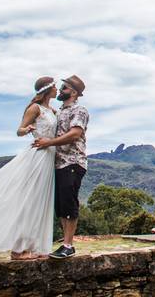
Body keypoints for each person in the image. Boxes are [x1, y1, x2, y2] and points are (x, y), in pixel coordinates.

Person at [0, 76, 58, 260]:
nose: (57, 89)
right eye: (55, 87)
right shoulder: (35, 108)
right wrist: (28, 129)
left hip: (49, 156)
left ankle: (36, 246)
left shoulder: (51, 109)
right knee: (30, 199)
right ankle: (18, 248)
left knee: (41, 201)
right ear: (47, 90)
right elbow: (19, 130)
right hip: (38, 155)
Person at [33, 75, 89, 259]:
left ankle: (68, 244)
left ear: (73, 92)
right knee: (61, 205)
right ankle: (65, 243)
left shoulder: (79, 110)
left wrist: (49, 143)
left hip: (72, 161)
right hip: (58, 162)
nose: (60, 90)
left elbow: (75, 134)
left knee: (69, 203)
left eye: (63, 88)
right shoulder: (60, 111)